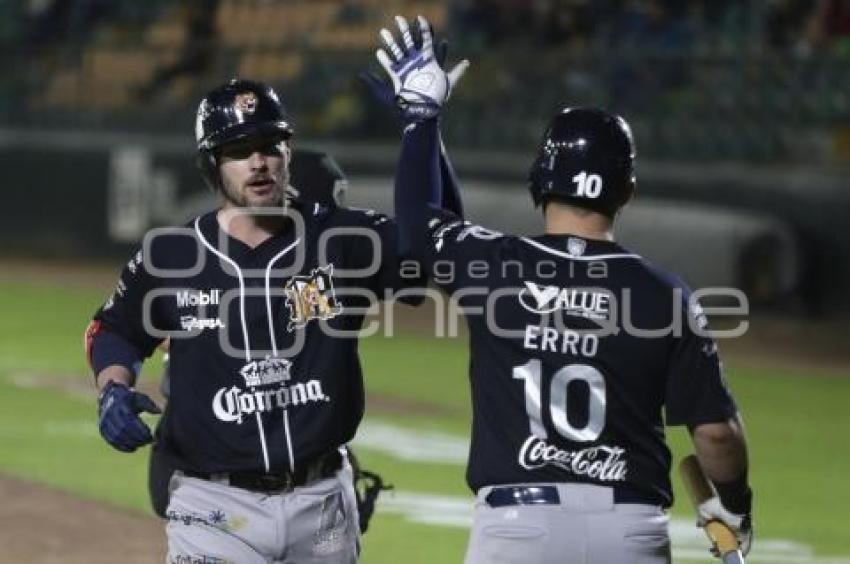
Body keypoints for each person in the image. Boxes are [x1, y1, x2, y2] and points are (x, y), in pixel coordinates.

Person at [373, 16, 753, 563]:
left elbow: (421, 224)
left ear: (539, 181)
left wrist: (420, 120)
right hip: (629, 530)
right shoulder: (666, 296)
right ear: (628, 190)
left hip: (518, 529)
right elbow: (715, 435)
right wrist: (736, 507)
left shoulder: (494, 267)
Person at [84, 78, 457, 563]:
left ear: (288, 152)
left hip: (321, 505)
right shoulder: (170, 255)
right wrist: (112, 388)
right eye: (239, 150)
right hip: (212, 506)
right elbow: (115, 330)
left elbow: (442, 248)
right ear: (212, 165)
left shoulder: (342, 238)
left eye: (269, 146)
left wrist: (422, 127)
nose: (258, 162)